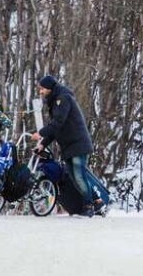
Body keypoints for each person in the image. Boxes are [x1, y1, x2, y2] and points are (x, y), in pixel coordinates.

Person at [31, 75, 101, 217]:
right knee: (75, 177)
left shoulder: (63, 99)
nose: (41, 92)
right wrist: (43, 144)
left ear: (50, 88)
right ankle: (97, 202)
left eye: (43, 89)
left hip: (78, 143)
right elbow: (56, 128)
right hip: (69, 145)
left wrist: (41, 133)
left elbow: (58, 122)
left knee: (79, 176)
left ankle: (88, 207)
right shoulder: (54, 101)